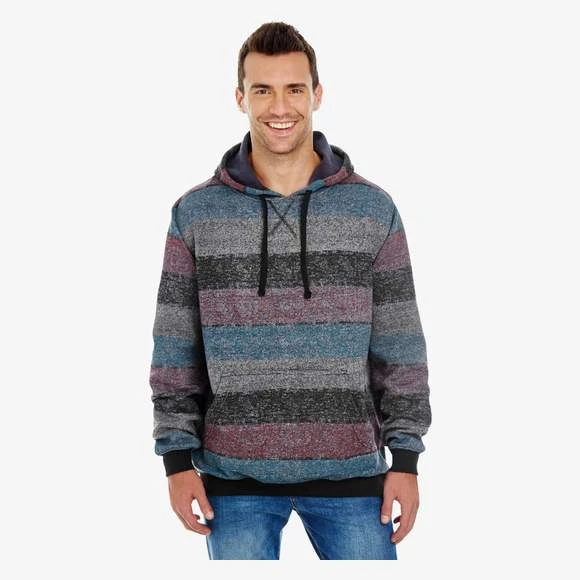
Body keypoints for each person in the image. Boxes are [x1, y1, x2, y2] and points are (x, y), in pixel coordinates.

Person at [149, 21, 432, 560]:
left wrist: (406, 459)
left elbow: (400, 344)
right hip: (232, 479)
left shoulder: (372, 209)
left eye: (294, 89)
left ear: (316, 94)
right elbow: (175, 350)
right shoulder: (195, 214)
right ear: (240, 98)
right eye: (263, 90)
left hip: (353, 475)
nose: (279, 107)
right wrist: (177, 460)